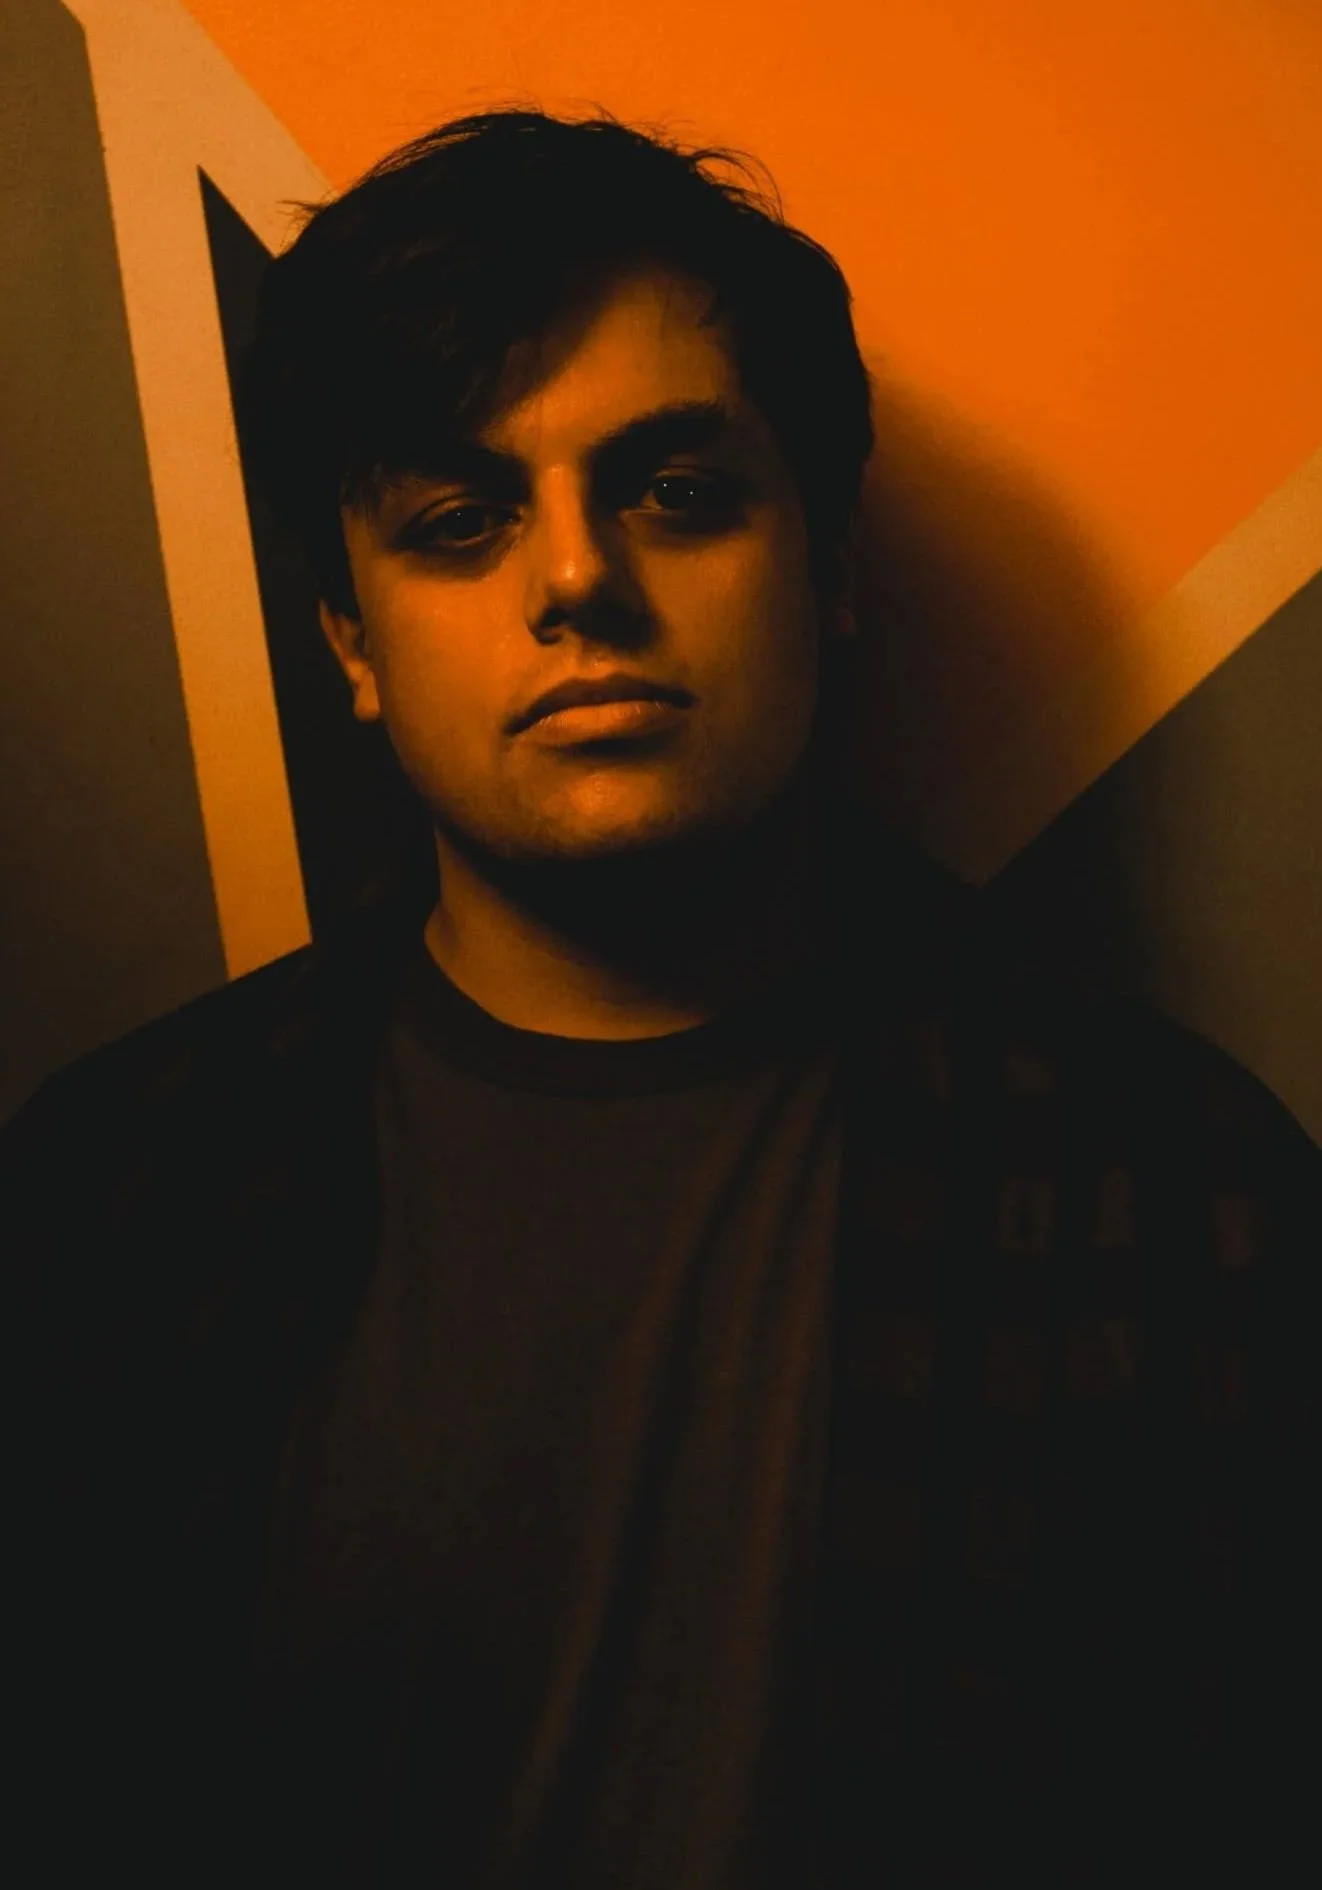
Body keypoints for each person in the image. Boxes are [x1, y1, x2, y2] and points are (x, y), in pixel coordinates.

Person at [5, 108, 1319, 1890]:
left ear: (828, 567)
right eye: (462, 518)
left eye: (675, 491)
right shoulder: (110, 1202)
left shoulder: (1171, 1197)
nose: (574, 582)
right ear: (348, 644)